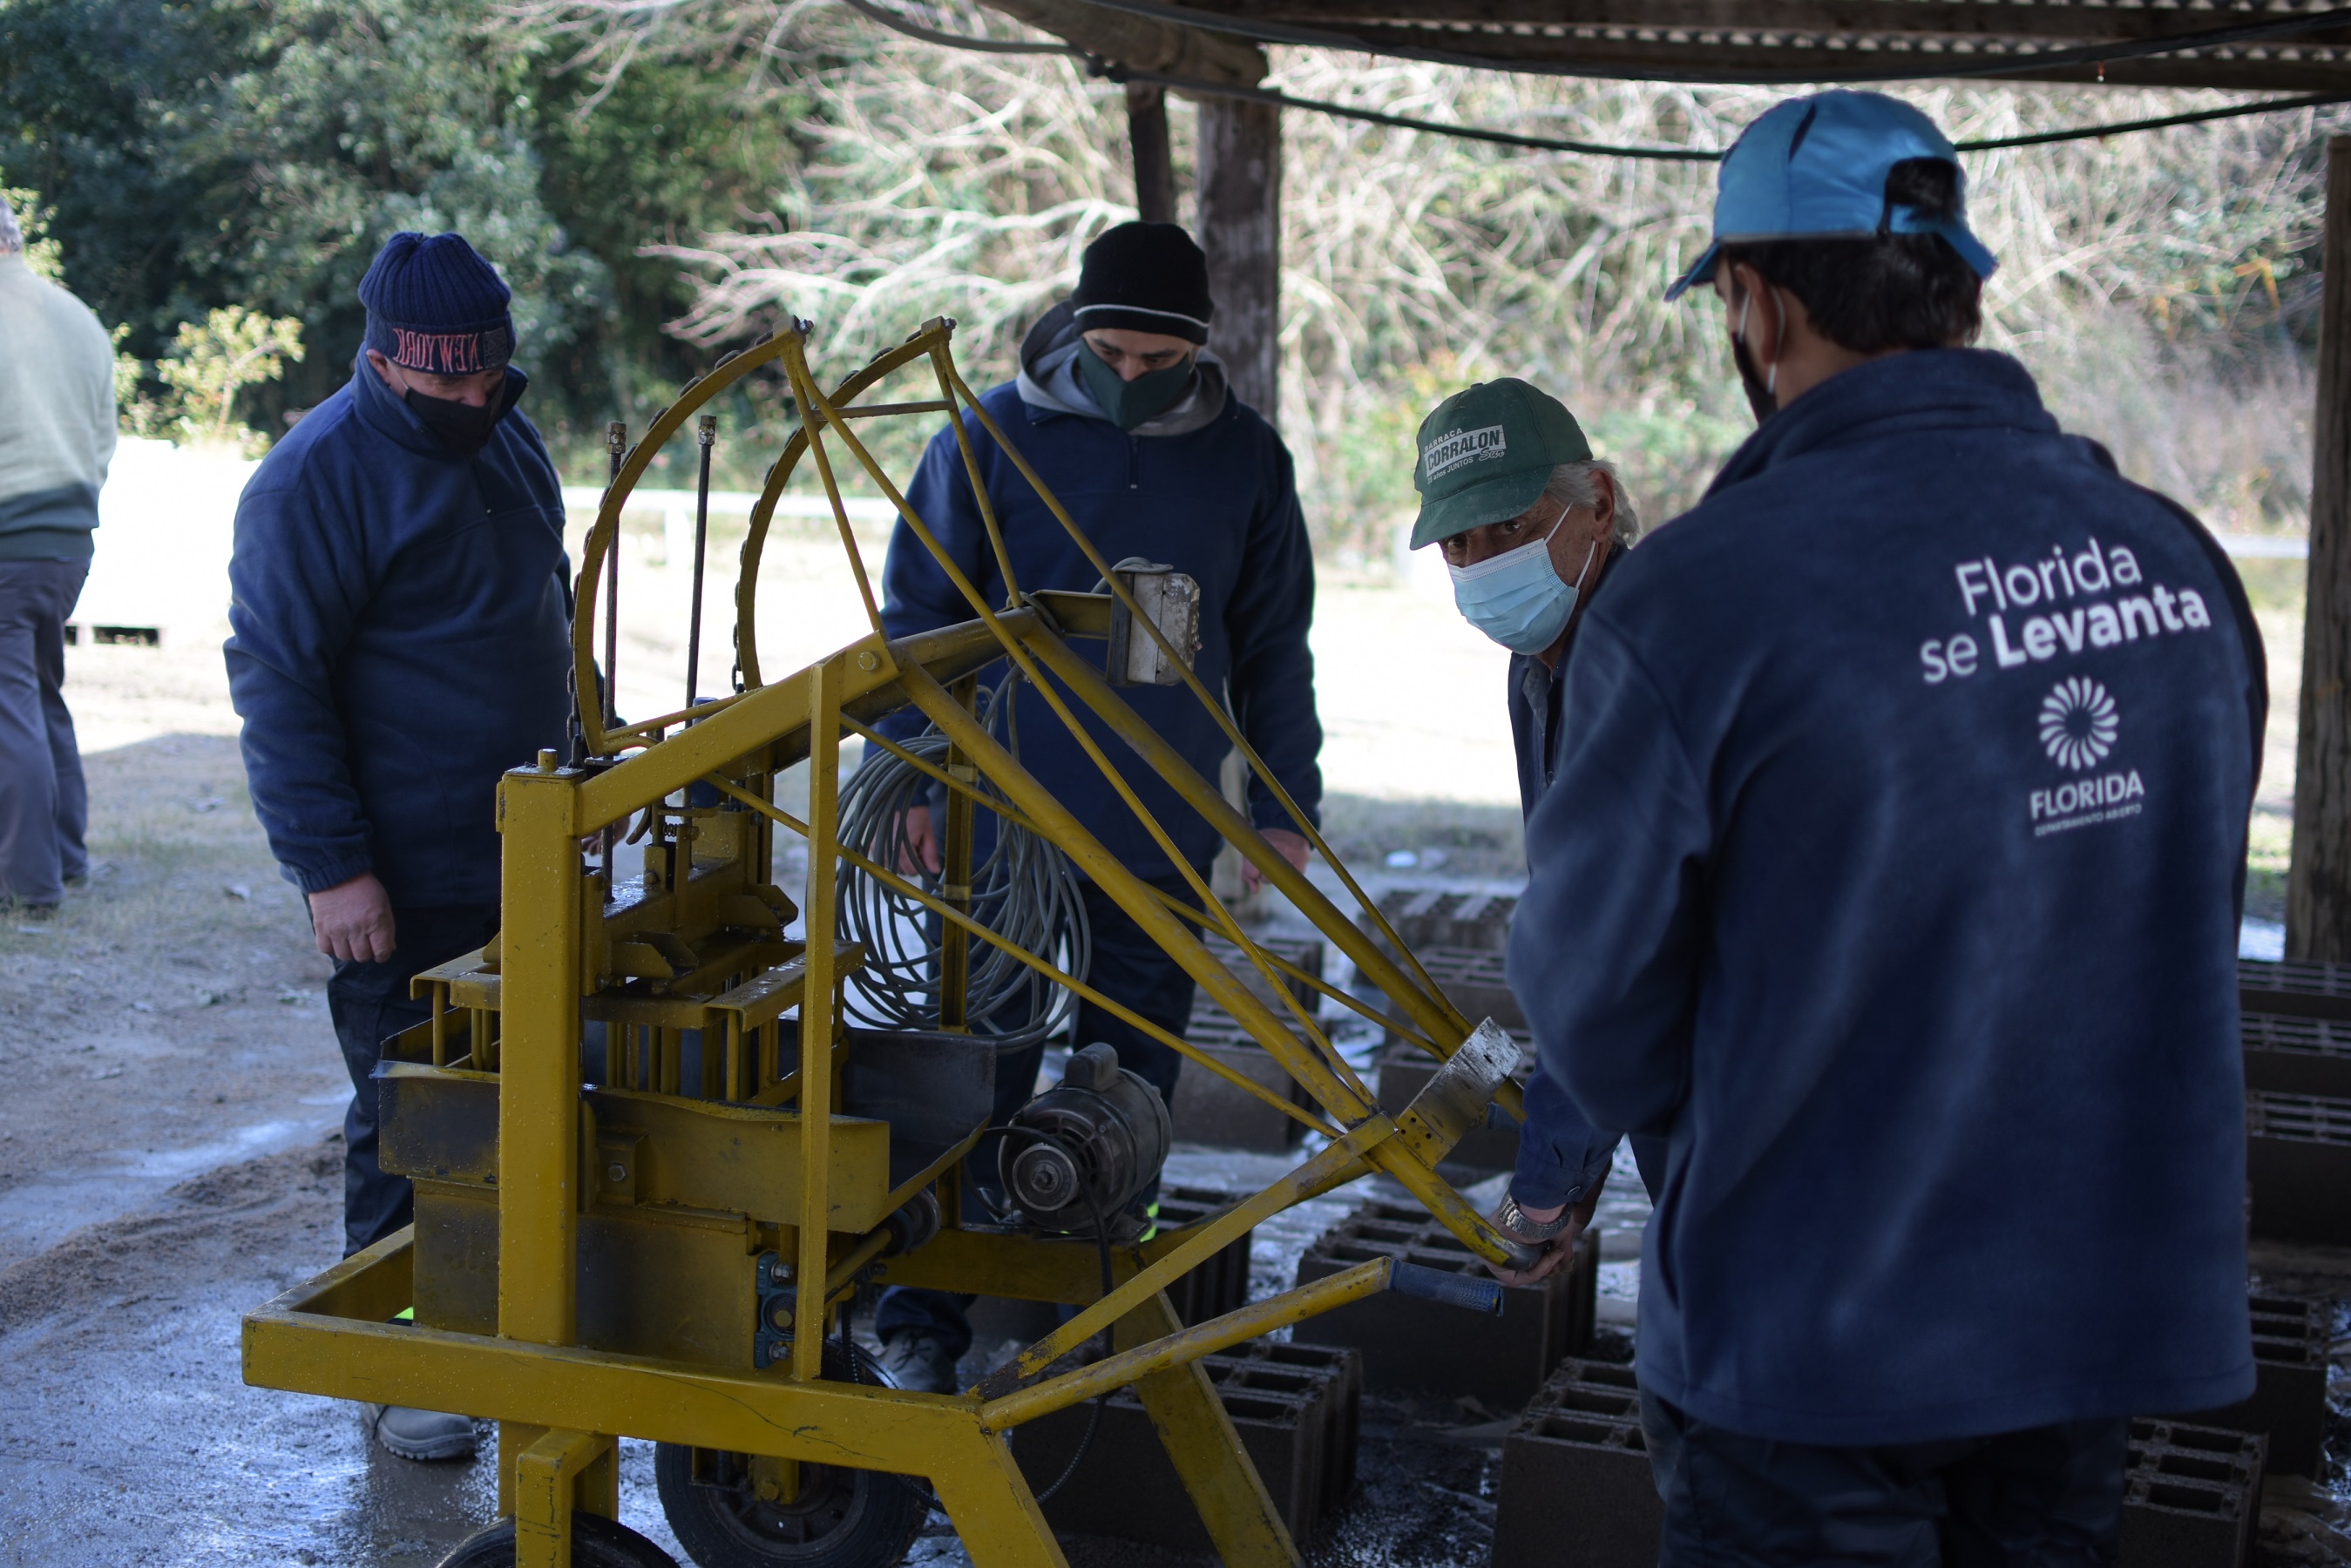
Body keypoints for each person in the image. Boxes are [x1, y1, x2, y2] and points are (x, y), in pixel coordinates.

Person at [1508, 91, 2266, 1564]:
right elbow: (2159, 890)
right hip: (2096, 1313)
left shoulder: (1697, 603)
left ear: (1759, 305)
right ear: (1958, 294)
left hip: (1816, 1333)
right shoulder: (2174, 566)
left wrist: (1742, 1110)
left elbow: (1595, 1011)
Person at [869, 220, 1323, 1393]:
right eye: (1111, 355)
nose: (1131, 380)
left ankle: (1107, 1289)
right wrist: (923, 771)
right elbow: (918, 622)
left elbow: (1273, 648)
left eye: (1155, 362)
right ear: (1075, 329)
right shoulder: (988, 439)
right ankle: (922, 1316)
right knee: (979, 1068)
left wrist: (1283, 807)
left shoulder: (1246, 464)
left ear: (1197, 349)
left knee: (1130, 1078)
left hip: (1159, 828)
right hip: (1001, 829)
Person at [226, 231, 573, 1462]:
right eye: (450, 389)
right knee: (408, 1119)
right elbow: (277, 680)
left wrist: (581, 762)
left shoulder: (505, 436)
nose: (476, 404)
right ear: (386, 363)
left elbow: (545, 608)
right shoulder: (309, 480)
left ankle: (505, 1319)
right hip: (403, 872)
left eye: (492, 382)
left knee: (520, 1109)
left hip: (531, 855)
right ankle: (405, 1362)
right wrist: (332, 866)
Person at [1402, 379, 1650, 1264]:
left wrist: (1547, 1186)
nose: (1483, 562)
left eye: (1510, 528)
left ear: (1599, 503)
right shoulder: (1541, 666)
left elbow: (1617, 964)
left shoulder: (1645, 669)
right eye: (1460, 544)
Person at [0, 192, 112, 912]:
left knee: (9, 707)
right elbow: (104, 437)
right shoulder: (76, 315)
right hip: (68, 543)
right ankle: (68, 858)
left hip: (7, 540)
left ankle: (30, 887)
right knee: (41, 694)